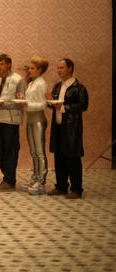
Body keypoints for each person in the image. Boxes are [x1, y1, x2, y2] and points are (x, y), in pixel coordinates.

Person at [47, 58, 89, 199]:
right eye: (58, 68)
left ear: (70, 68)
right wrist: (49, 102)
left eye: (62, 68)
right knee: (59, 157)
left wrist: (65, 108)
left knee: (72, 158)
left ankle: (76, 189)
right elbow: (54, 104)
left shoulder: (79, 87)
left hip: (71, 128)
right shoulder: (57, 86)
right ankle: (61, 187)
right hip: (58, 127)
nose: (59, 70)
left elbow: (83, 105)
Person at [0, 53, 25, 192]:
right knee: (0, 150)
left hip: (11, 120)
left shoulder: (18, 79)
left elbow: (21, 101)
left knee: (10, 150)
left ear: (9, 65)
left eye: (2, 64)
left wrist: (5, 103)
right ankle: (6, 177)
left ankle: (10, 180)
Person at [23, 55, 49, 195]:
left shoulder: (41, 84)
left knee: (40, 152)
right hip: (30, 119)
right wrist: (23, 99)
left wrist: (27, 104)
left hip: (38, 119)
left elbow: (43, 104)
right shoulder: (32, 83)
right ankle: (35, 177)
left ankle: (41, 180)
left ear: (39, 70)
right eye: (30, 68)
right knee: (33, 151)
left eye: (32, 68)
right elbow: (30, 100)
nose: (30, 70)